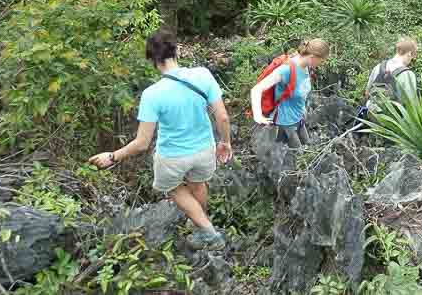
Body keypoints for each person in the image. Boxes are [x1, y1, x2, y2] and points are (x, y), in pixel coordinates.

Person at [88, 29, 232, 251]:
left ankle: (208, 232)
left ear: (152, 60)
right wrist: (225, 142)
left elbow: (142, 143)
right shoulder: (203, 74)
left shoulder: (152, 94)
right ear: (177, 50)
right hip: (205, 149)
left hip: (172, 157)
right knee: (198, 183)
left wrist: (112, 156)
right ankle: (202, 225)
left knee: (174, 188)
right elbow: (222, 116)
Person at [250, 39, 330, 148]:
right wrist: (258, 115)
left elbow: (300, 91)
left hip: (299, 118)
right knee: (299, 156)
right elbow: (256, 89)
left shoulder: (307, 66)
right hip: (285, 123)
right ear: (313, 57)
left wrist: (303, 109)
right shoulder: (287, 69)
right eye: (321, 61)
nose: (321, 64)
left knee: (309, 148)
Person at [364, 37, 418, 107]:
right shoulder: (407, 74)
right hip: (394, 117)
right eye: (412, 57)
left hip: (371, 114)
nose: (411, 60)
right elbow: (411, 105)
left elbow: (367, 93)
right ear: (409, 53)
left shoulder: (378, 67)